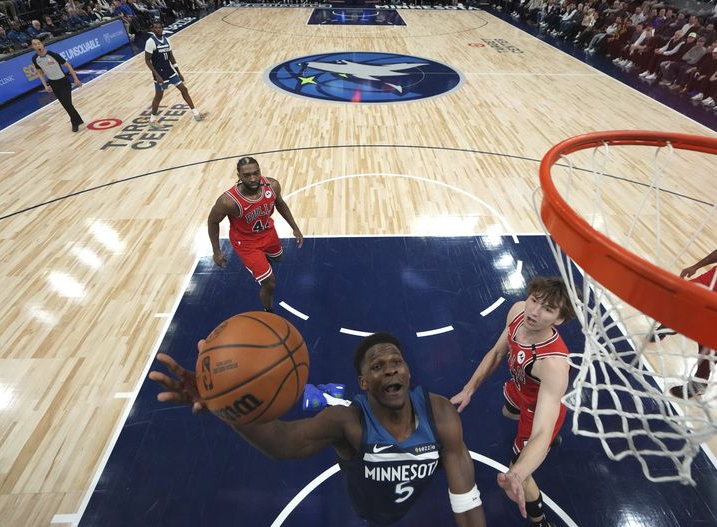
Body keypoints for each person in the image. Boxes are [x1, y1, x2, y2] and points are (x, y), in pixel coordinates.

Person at [148, 332, 487, 527]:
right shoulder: (346, 421)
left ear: (409, 374)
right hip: (364, 513)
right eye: (377, 366)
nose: (389, 370)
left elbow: (467, 500)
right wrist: (223, 402)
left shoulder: (439, 413)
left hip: (412, 506)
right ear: (364, 383)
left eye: (396, 362)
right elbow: (282, 442)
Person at [450, 277, 575, 527]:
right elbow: (497, 352)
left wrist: (517, 474)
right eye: (534, 300)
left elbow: (541, 430)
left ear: (559, 319)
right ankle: (545, 445)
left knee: (524, 471)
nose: (535, 312)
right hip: (520, 385)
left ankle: (540, 521)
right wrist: (469, 388)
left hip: (537, 410)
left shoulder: (552, 364)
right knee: (508, 413)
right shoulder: (518, 311)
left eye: (548, 309)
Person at [207, 156, 303, 312]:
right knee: (269, 283)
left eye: (256, 173)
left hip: (268, 232)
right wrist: (216, 251)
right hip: (246, 243)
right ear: (239, 176)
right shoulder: (228, 201)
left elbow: (280, 204)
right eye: (247, 175)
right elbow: (212, 222)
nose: (253, 178)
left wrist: (295, 227)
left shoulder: (272, 185)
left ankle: (262, 265)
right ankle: (268, 310)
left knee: (278, 258)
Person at [657, 249, 716, 398]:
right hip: (713, 278)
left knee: (709, 340)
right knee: (680, 297)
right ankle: (671, 325)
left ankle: (699, 383)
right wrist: (696, 266)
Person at [144, 20, 203, 127]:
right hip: (159, 73)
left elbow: (171, 56)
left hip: (169, 71)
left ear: (162, 28)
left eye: (160, 27)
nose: (158, 29)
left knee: (184, 89)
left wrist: (178, 72)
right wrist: (157, 75)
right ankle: (152, 119)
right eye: (156, 28)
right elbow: (147, 60)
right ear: (153, 30)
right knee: (158, 96)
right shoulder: (150, 42)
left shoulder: (167, 40)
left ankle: (196, 113)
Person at [30, 38, 84, 132]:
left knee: (67, 104)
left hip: (63, 82)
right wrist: (45, 85)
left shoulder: (53, 55)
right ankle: (78, 120)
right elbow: (40, 72)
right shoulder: (35, 59)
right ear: (32, 47)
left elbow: (68, 65)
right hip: (53, 83)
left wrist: (76, 79)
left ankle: (74, 123)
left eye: (39, 43)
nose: (38, 45)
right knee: (65, 105)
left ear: (42, 44)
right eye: (35, 44)